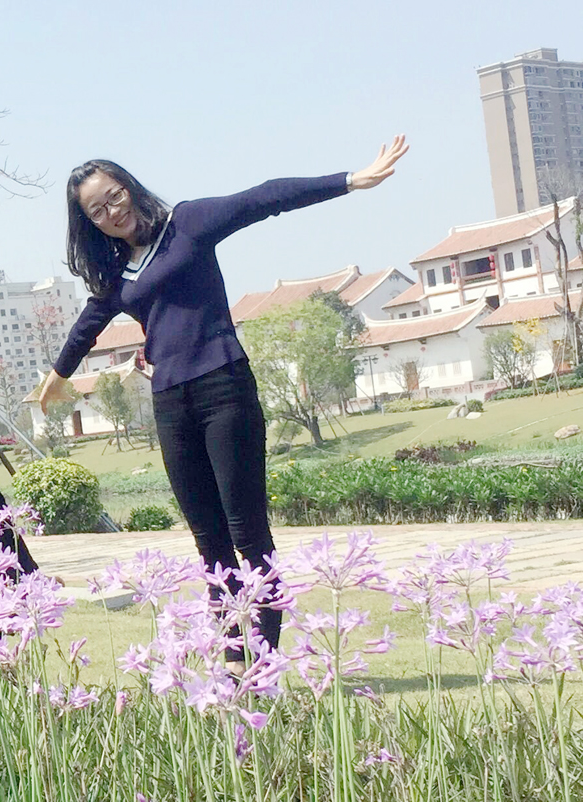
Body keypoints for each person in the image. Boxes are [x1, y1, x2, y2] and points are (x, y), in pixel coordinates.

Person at [39, 136, 409, 673]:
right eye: (97, 210)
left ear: (129, 188)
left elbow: (264, 197)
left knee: (247, 534)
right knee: (208, 541)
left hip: (224, 388)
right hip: (171, 403)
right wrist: (56, 377)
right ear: (89, 223)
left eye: (114, 196)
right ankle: (233, 657)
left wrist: (351, 179)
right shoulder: (117, 275)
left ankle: (261, 663)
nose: (111, 212)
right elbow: (87, 325)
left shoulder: (187, 224)